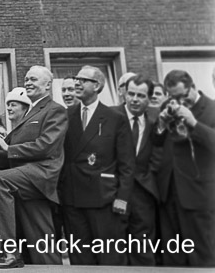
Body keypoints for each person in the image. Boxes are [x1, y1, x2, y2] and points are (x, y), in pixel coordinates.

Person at [0, 68, 68, 268]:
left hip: (40, 173)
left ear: (48, 85)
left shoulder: (55, 109)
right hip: (27, 178)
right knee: (43, 244)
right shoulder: (31, 112)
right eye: (26, 78)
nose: (28, 82)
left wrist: (8, 148)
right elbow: (11, 151)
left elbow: (47, 145)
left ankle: (9, 253)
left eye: (34, 79)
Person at [59, 65, 134, 265]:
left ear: (98, 85)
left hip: (104, 199)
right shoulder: (66, 115)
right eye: (76, 78)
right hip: (72, 198)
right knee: (80, 259)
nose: (77, 83)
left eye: (83, 80)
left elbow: (127, 164)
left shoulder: (115, 117)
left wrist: (122, 198)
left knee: (109, 258)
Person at [152, 69, 215, 267]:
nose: (178, 101)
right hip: (170, 191)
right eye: (172, 96)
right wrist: (161, 124)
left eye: (181, 96)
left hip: (198, 194)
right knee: (173, 255)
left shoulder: (212, 109)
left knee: (202, 254)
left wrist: (193, 123)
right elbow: (156, 141)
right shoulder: (168, 106)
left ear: (193, 88)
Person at [117, 74, 160, 265]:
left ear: (149, 99)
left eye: (141, 96)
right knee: (113, 250)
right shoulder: (109, 116)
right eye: (131, 93)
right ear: (124, 94)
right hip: (113, 192)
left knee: (142, 250)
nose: (134, 99)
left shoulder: (156, 121)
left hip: (143, 195)